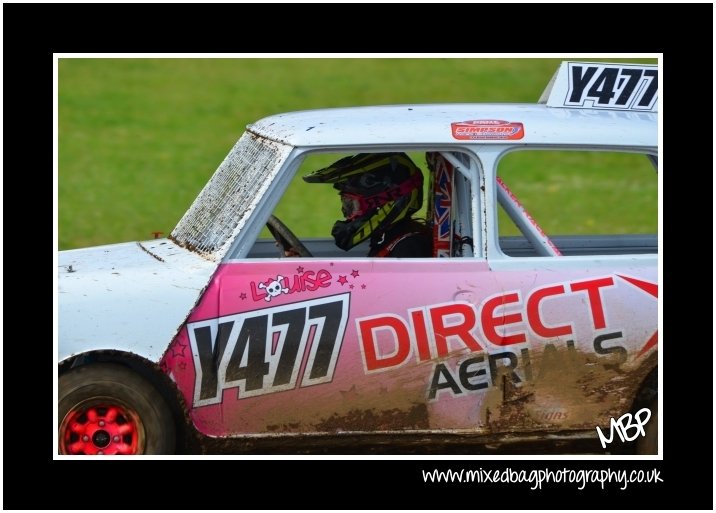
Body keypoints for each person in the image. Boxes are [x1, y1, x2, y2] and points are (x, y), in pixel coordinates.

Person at [303, 152, 432, 257]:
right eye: (346, 205)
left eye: (351, 206)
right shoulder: (385, 238)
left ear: (381, 202)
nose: (346, 214)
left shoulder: (408, 247)